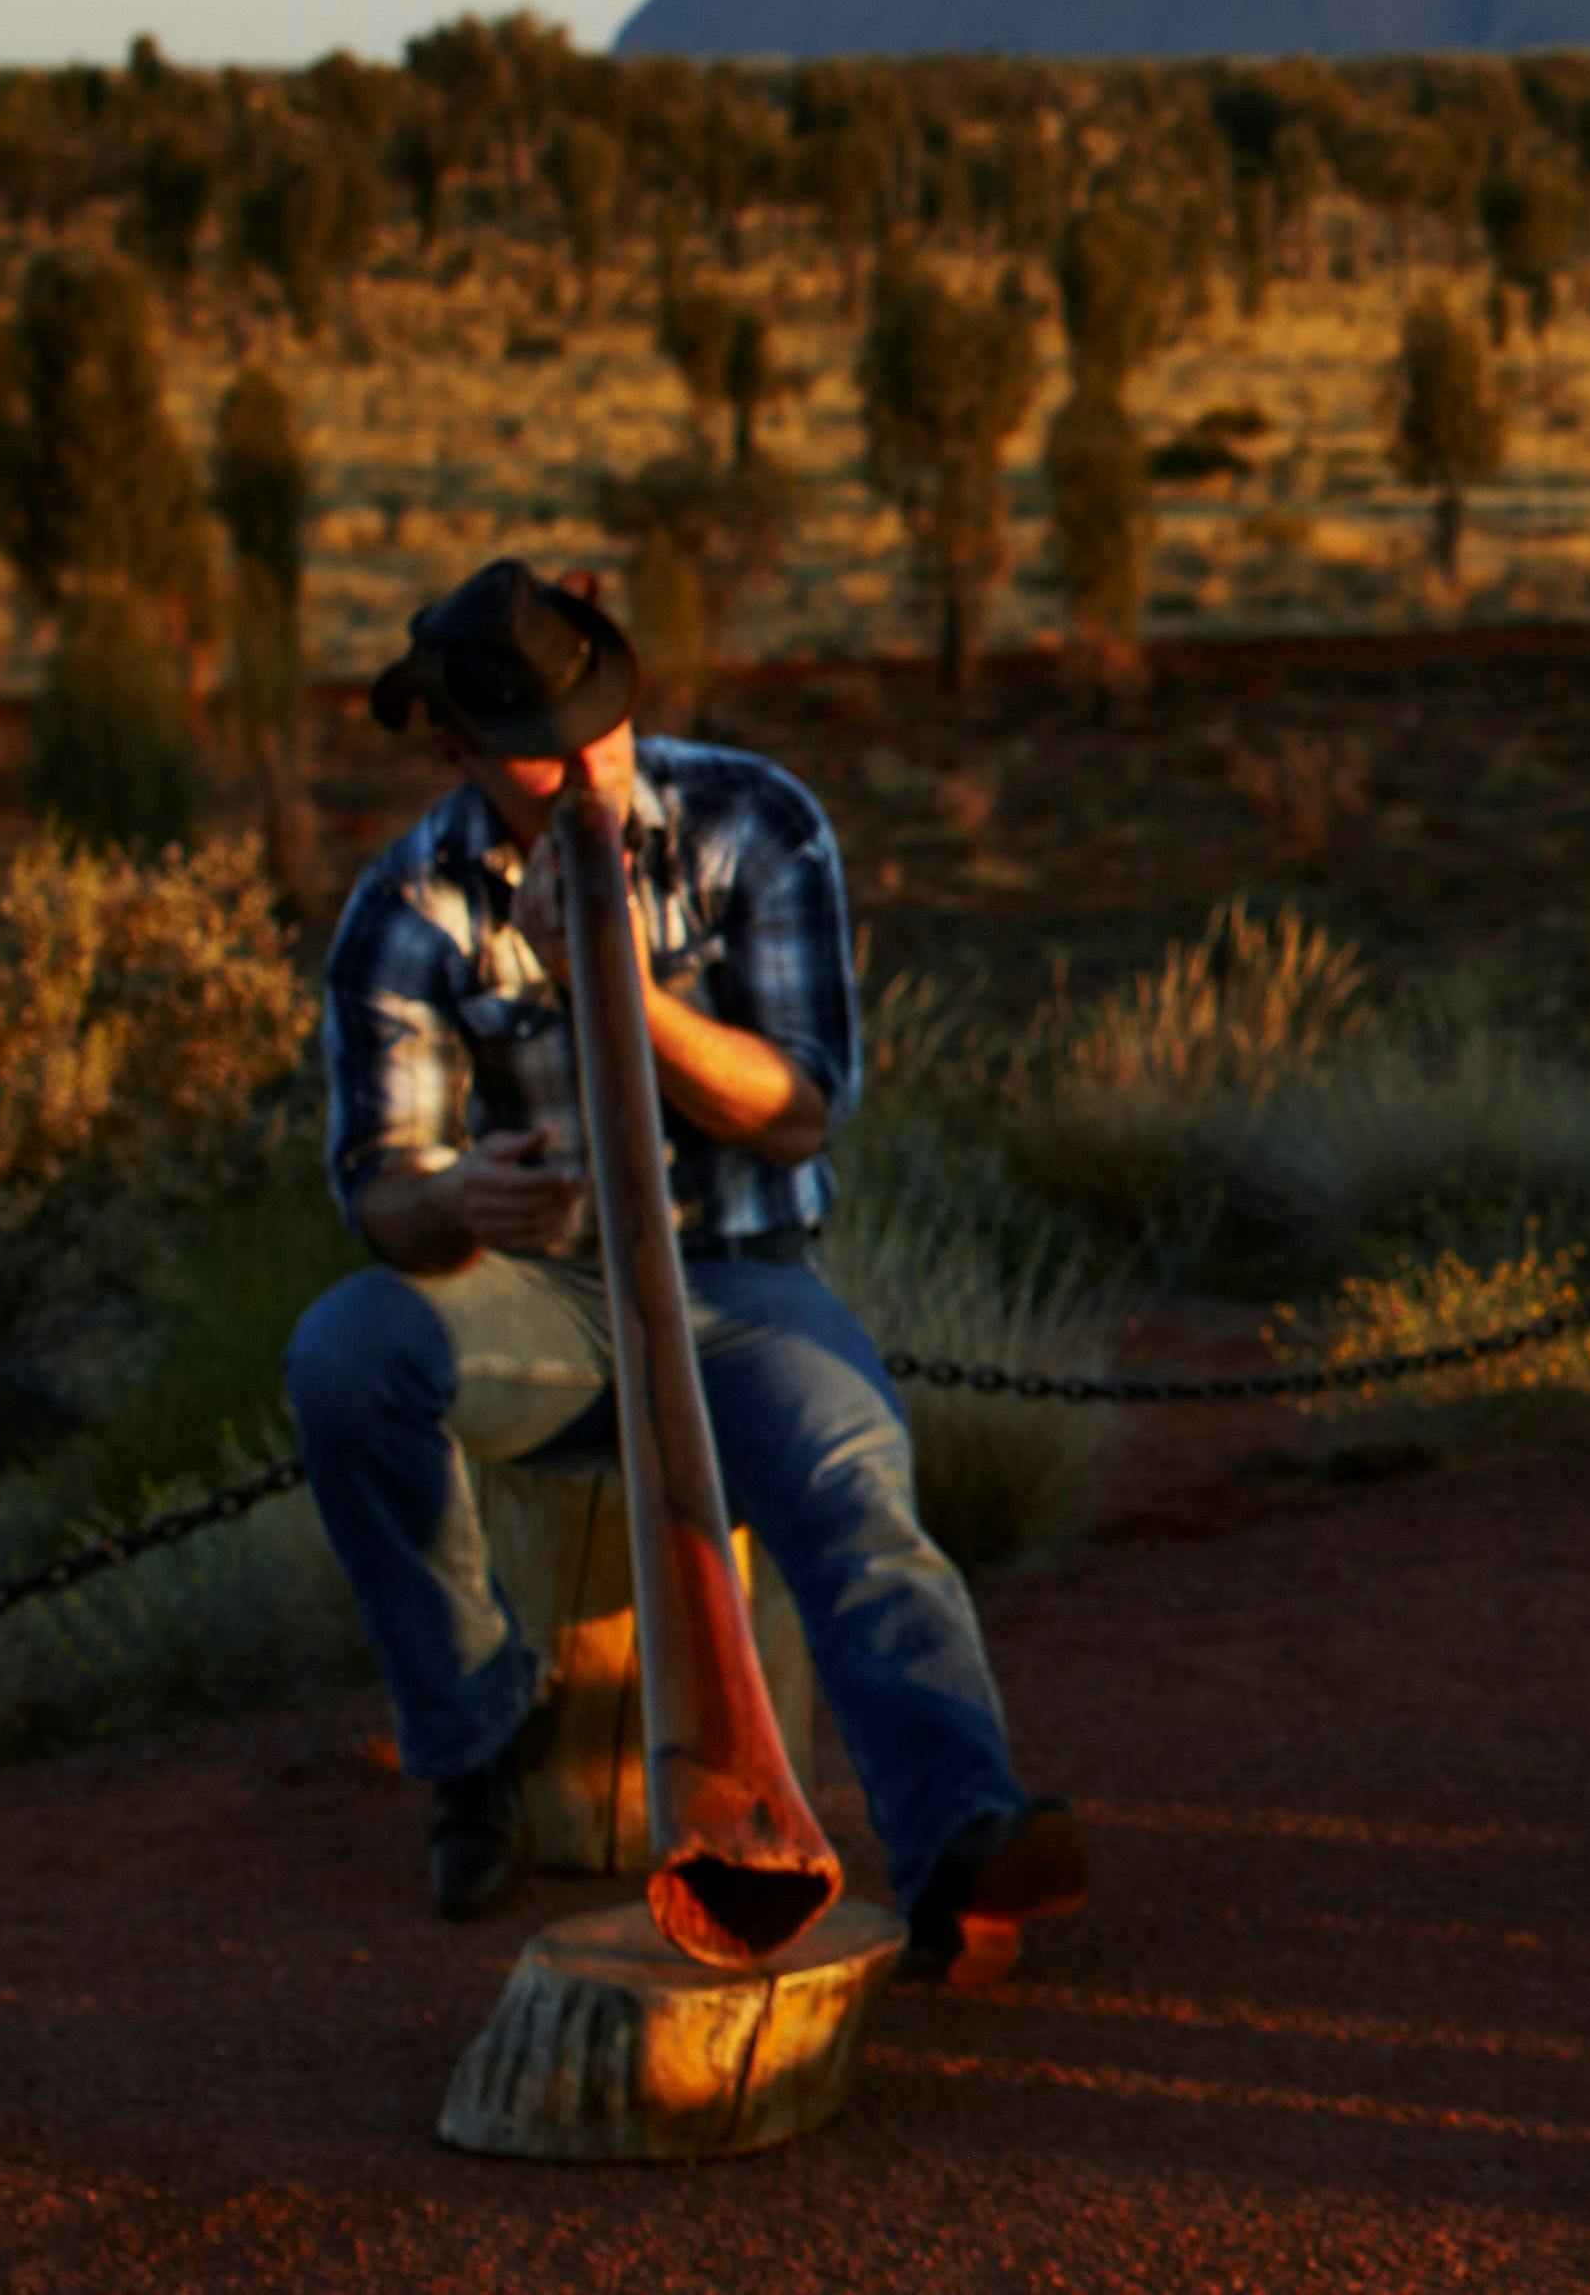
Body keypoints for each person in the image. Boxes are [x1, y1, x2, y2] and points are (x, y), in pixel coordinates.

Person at [288, 559, 1085, 1981]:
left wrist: (616, 988)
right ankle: (472, 1747)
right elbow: (382, 1194)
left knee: (850, 1481)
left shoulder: (754, 822)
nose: (583, 770)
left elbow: (800, 1111)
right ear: (459, 752)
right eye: (537, 752)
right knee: (347, 1356)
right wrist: (456, 1199)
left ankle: (961, 1836)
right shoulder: (405, 911)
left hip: (739, 1285)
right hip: (538, 1303)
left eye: (598, 728)